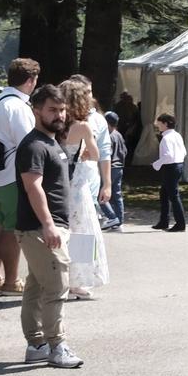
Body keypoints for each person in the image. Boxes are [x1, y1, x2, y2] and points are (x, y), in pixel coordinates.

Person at [15, 84, 84, 369]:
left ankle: (37, 344)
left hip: (46, 227)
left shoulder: (51, 142)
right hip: (41, 229)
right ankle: (57, 346)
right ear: (37, 110)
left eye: (62, 110)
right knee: (57, 286)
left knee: (35, 287)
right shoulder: (34, 145)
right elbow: (34, 188)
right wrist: (48, 224)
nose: (59, 115)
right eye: (52, 110)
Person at [0, 58, 39, 293]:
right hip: (13, 174)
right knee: (12, 230)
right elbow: (28, 143)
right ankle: (11, 281)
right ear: (30, 80)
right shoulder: (17, 106)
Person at [60, 79, 110, 300]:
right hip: (79, 184)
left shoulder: (56, 125)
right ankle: (78, 282)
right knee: (82, 233)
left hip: (60, 183)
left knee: (64, 233)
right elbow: (96, 153)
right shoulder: (83, 126)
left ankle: (62, 279)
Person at [151, 112, 185, 230]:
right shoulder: (177, 135)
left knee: (173, 195)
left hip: (170, 167)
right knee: (164, 193)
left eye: (159, 124)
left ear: (165, 124)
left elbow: (168, 156)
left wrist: (156, 164)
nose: (158, 126)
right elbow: (184, 152)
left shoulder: (166, 138)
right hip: (178, 165)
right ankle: (164, 221)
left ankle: (180, 223)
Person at [100, 109, 127, 230]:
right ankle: (119, 220)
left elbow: (106, 154)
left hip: (111, 167)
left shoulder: (108, 136)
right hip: (119, 166)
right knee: (117, 194)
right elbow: (124, 151)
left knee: (101, 194)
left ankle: (111, 217)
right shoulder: (118, 134)